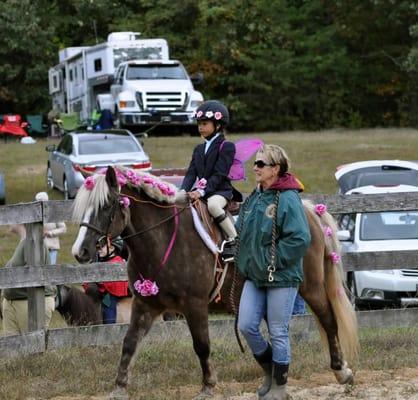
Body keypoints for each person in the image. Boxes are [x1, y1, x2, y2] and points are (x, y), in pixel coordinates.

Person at [236, 144, 311, 400]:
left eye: (261, 164)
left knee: (278, 330)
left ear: (275, 169)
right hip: (255, 276)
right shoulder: (255, 196)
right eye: (255, 163)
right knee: (246, 325)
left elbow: (300, 238)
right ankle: (269, 372)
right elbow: (243, 231)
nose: (255, 168)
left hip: (281, 276)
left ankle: (279, 387)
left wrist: (273, 259)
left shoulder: (288, 198)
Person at [181, 100, 242, 262]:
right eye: (199, 124)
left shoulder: (227, 146)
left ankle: (235, 241)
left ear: (218, 125)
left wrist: (200, 191)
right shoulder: (198, 149)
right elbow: (191, 173)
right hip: (202, 191)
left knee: (214, 206)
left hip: (220, 191)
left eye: (204, 123)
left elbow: (220, 174)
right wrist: (182, 191)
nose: (200, 127)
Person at [2, 227, 56, 335]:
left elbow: (34, 274)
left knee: (31, 348)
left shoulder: (33, 242)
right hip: (12, 303)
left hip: (30, 302)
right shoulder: (24, 242)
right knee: (13, 349)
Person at [83, 239, 129, 324]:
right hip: (100, 292)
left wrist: (99, 283)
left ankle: (109, 328)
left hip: (110, 294)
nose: (99, 249)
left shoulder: (118, 261)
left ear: (112, 248)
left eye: (102, 247)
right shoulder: (100, 261)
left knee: (109, 305)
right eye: (98, 247)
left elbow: (115, 284)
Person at [35, 192, 67, 265]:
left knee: (50, 269)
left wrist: (50, 233)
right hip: (38, 248)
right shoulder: (35, 214)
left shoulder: (54, 213)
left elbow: (63, 229)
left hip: (51, 248)